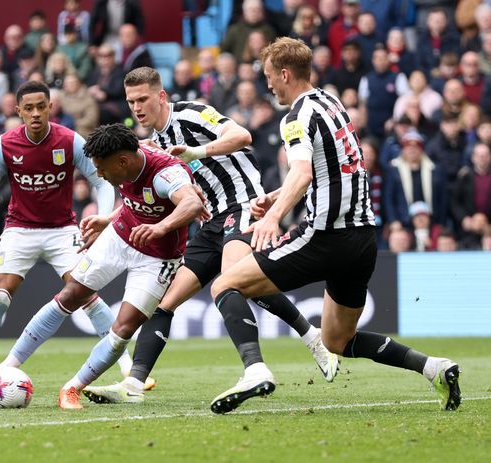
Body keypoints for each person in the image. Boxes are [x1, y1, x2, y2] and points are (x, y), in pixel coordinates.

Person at [207, 38, 460, 414]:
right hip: (363, 239)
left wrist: (273, 217)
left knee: (224, 285)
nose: (268, 85)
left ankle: (254, 370)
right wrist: (276, 196)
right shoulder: (332, 102)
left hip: (326, 236)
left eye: (270, 76)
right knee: (338, 340)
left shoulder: (295, 117)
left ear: (285, 74)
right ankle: (434, 368)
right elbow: (331, 168)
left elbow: (303, 172)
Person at [82, 67, 336, 405]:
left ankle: (258, 368)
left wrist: (197, 152)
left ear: (161, 96)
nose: (137, 108)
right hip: (210, 221)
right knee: (165, 302)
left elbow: (242, 135)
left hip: (243, 205)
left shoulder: (191, 114)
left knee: (232, 281)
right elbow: (149, 195)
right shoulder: (153, 145)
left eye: (143, 99)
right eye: (131, 102)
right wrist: (108, 218)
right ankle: (134, 384)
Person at [0, 81, 126, 397]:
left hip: (63, 231)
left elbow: (101, 181)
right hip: (19, 230)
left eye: (41, 106)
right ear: (18, 111)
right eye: (28, 108)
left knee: (85, 293)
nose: (35, 113)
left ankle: (128, 370)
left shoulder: (69, 141)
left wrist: (102, 220)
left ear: (50, 107)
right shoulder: (5, 144)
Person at [34, 123, 205, 409]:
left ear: (122, 161)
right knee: (71, 293)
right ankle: (6, 366)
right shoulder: (130, 158)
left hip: (159, 257)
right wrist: (107, 219)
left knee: (124, 327)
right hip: (122, 234)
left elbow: (192, 204)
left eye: (102, 169)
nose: (99, 175)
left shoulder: (166, 173)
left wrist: (160, 228)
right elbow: (135, 199)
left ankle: (72, 388)